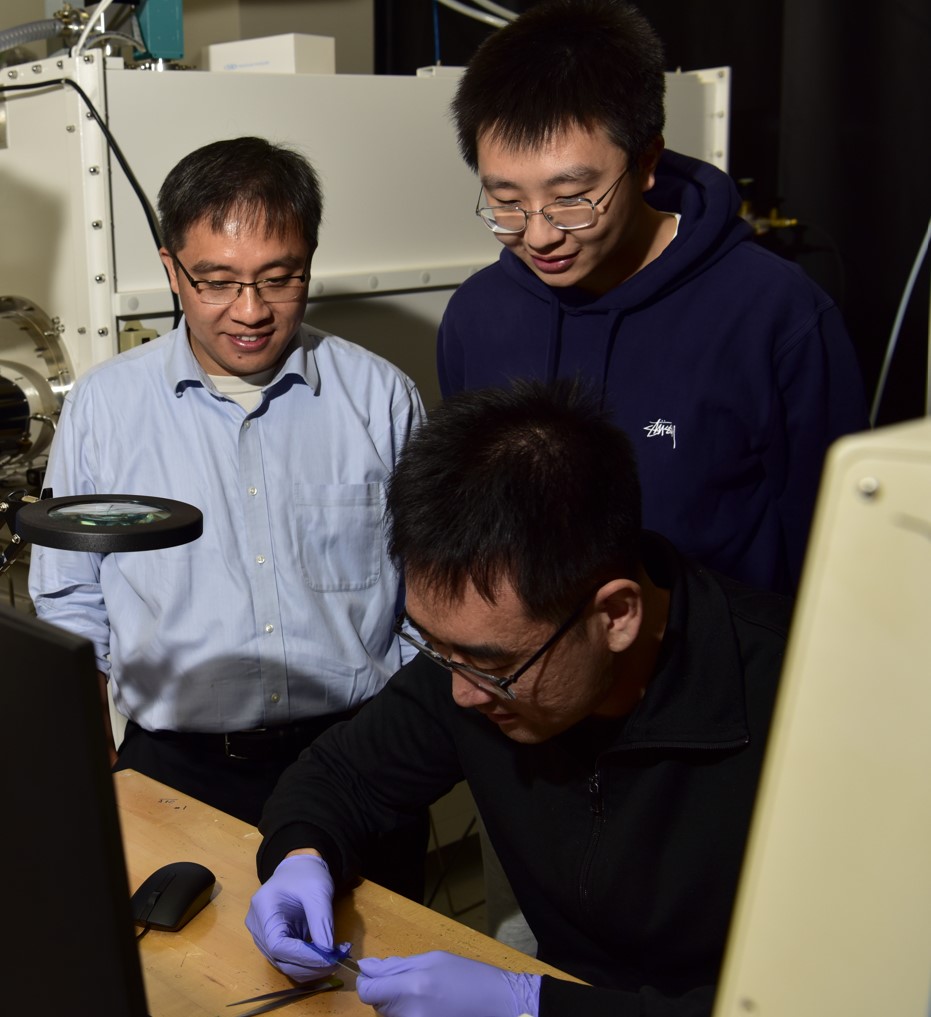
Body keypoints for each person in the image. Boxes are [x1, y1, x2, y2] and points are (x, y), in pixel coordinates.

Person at [245, 379, 792, 1017]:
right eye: (433, 645)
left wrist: (536, 1008)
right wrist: (301, 856)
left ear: (616, 615)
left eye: (491, 665)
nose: (460, 693)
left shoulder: (805, 702)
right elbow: (341, 776)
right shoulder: (476, 649)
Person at [28, 137, 427, 894]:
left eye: (280, 279)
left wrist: (400, 737)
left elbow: (430, 594)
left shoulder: (382, 399)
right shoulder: (107, 410)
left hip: (356, 763)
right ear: (170, 267)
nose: (250, 312)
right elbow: (70, 598)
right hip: (176, 769)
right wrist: (86, 749)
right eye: (215, 282)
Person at [438, 0, 868, 596]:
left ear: (645, 162)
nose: (538, 234)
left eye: (572, 197)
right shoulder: (476, 317)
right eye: (506, 202)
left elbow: (835, 551)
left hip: (724, 675)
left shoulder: (775, 313)